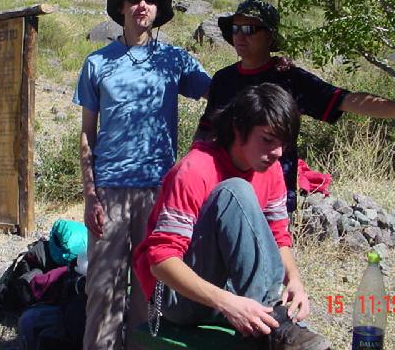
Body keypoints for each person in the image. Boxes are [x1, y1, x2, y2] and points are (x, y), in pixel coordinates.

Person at [134, 83, 331, 350]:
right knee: (235, 191)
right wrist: (227, 302)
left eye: (283, 143)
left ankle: (268, 323)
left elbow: (278, 236)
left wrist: (294, 279)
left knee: (240, 194)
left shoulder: (271, 169)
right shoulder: (195, 168)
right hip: (177, 298)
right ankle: (272, 326)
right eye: (268, 140)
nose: (277, 152)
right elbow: (161, 261)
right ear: (238, 129)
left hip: (230, 292)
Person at [73, 0, 211, 349]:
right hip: (109, 191)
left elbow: (219, 92)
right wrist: (90, 195)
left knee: (151, 289)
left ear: (158, 10)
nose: (142, 5)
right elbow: (87, 134)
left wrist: (266, 66)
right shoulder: (97, 62)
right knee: (103, 291)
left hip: (159, 193)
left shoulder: (175, 60)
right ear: (121, 7)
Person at [195, 0, 395, 212]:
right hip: (224, 193)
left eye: (249, 29)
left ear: (270, 37)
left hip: (272, 201)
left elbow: (347, 101)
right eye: (235, 28)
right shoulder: (223, 79)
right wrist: (192, 174)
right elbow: (206, 131)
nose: (239, 35)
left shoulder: (289, 79)